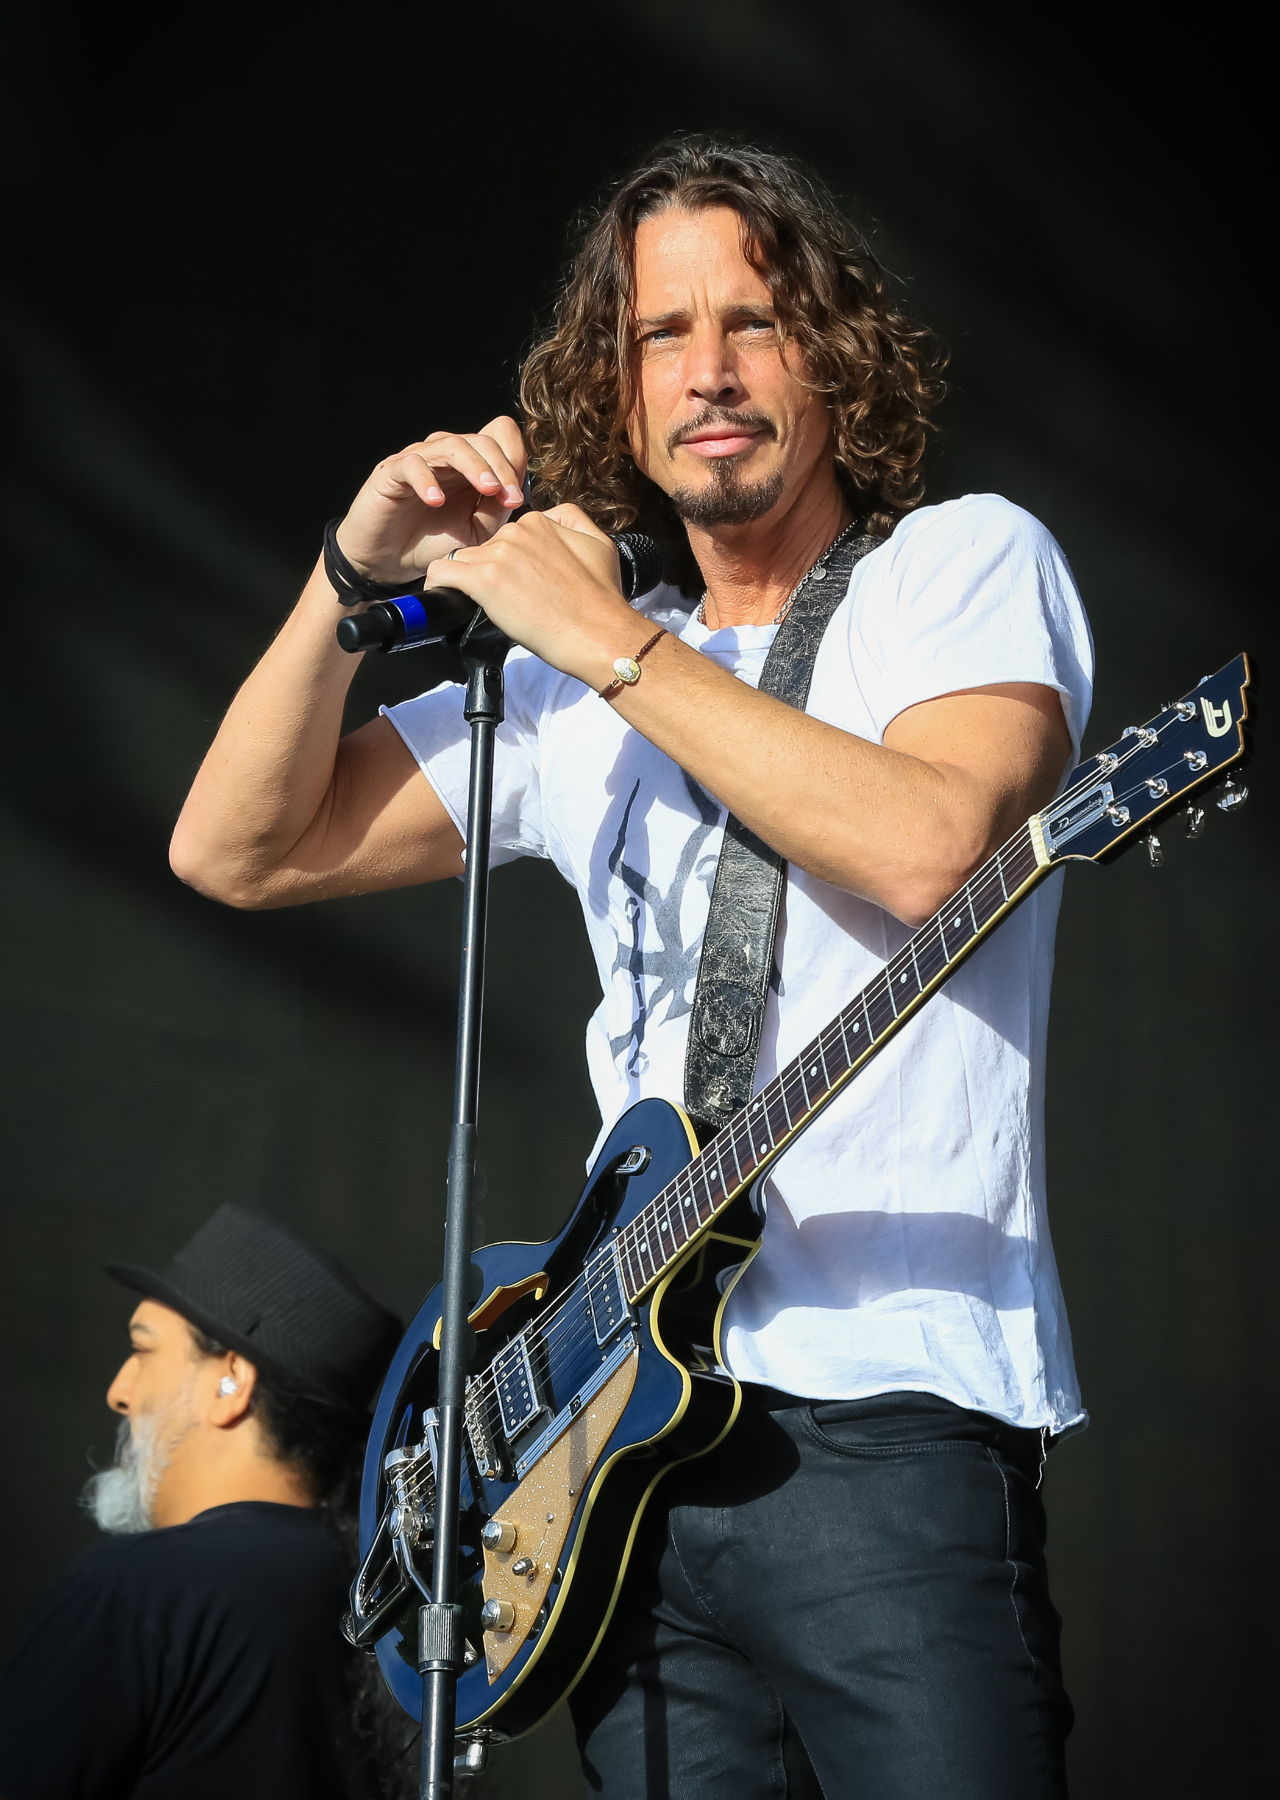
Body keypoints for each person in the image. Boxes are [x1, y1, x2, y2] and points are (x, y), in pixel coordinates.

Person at [167, 136, 1093, 1798]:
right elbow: (235, 847)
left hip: (885, 1419)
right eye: (663, 334)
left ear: (836, 355)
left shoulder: (961, 567)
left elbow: (927, 847)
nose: (711, 370)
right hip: (613, 1457)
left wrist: (611, 645)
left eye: (756, 321)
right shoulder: (563, 689)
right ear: (616, 383)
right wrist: (346, 581)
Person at [0, 1204, 409, 1800]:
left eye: (142, 1351)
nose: (119, 1392)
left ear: (231, 1382)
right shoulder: (391, 1610)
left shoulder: (137, 1589)